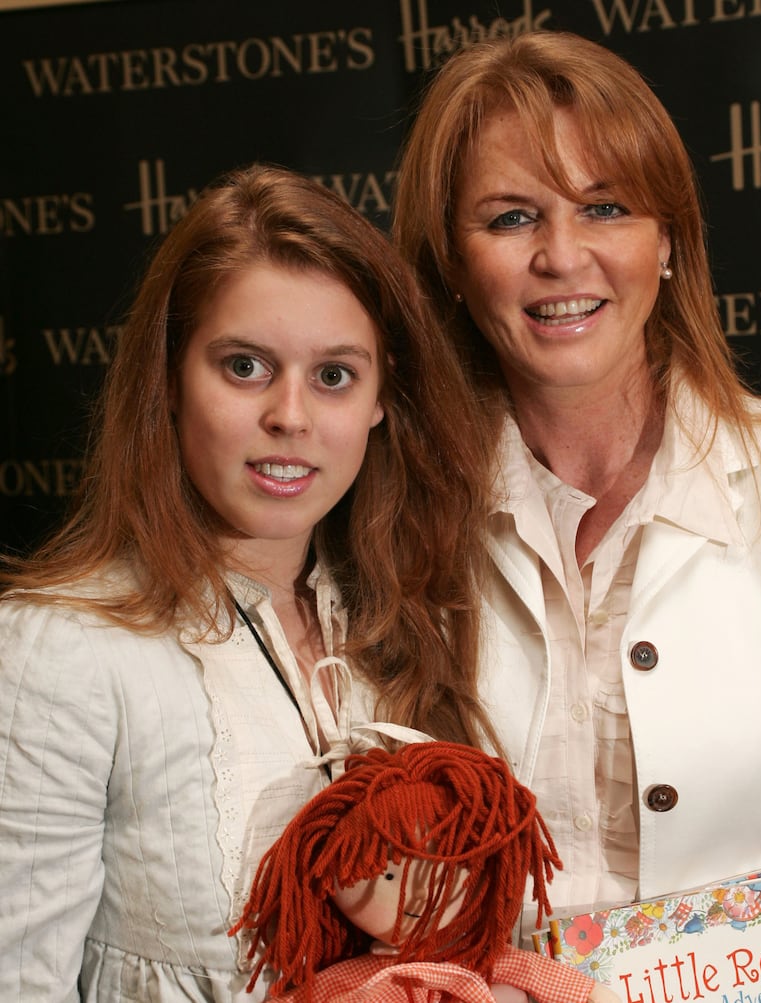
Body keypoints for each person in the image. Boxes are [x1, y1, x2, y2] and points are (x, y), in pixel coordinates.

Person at [0, 165, 503, 1001]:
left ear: (382, 397)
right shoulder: (57, 648)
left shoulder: (403, 618)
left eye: (334, 375)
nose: (290, 417)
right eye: (245, 366)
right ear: (168, 377)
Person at [392, 29, 761, 940]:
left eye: (605, 207)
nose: (562, 255)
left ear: (669, 240)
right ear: (451, 262)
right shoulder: (385, 514)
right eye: (510, 218)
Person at [232, 741, 618, 1003]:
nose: (418, 895)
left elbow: (557, 983)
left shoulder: (490, 962)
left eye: (442, 874)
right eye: (387, 876)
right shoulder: (353, 977)